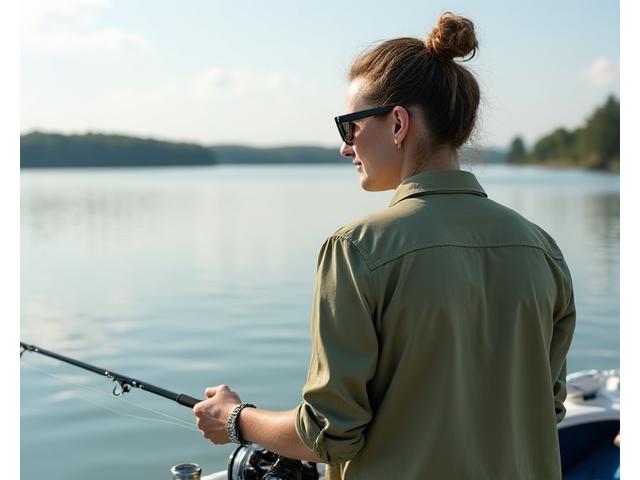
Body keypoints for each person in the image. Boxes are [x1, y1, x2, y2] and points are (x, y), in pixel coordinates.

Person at [193, 11, 576, 480]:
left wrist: (235, 418)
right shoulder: (543, 249)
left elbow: (330, 434)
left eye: (349, 126)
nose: (345, 147)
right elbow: (546, 407)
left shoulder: (356, 250)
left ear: (397, 124)